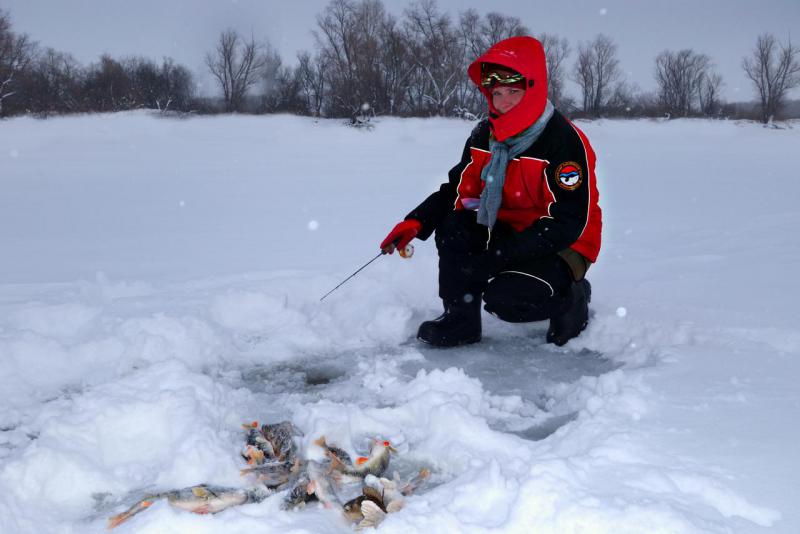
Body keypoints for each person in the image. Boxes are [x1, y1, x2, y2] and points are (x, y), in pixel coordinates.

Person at [380, 36, 602, 347]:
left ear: (533, 89)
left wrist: (497, 257)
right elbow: (458, 190)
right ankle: (460, 320)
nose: (505, 101)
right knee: (455, 225)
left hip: (564, 242)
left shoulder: (563, 141)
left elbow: (568, 222)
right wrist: (417, 222)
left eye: (514, 91)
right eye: (497, 93)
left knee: (508, 300)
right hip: (508, 230)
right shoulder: (485, 134)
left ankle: (572, 299)